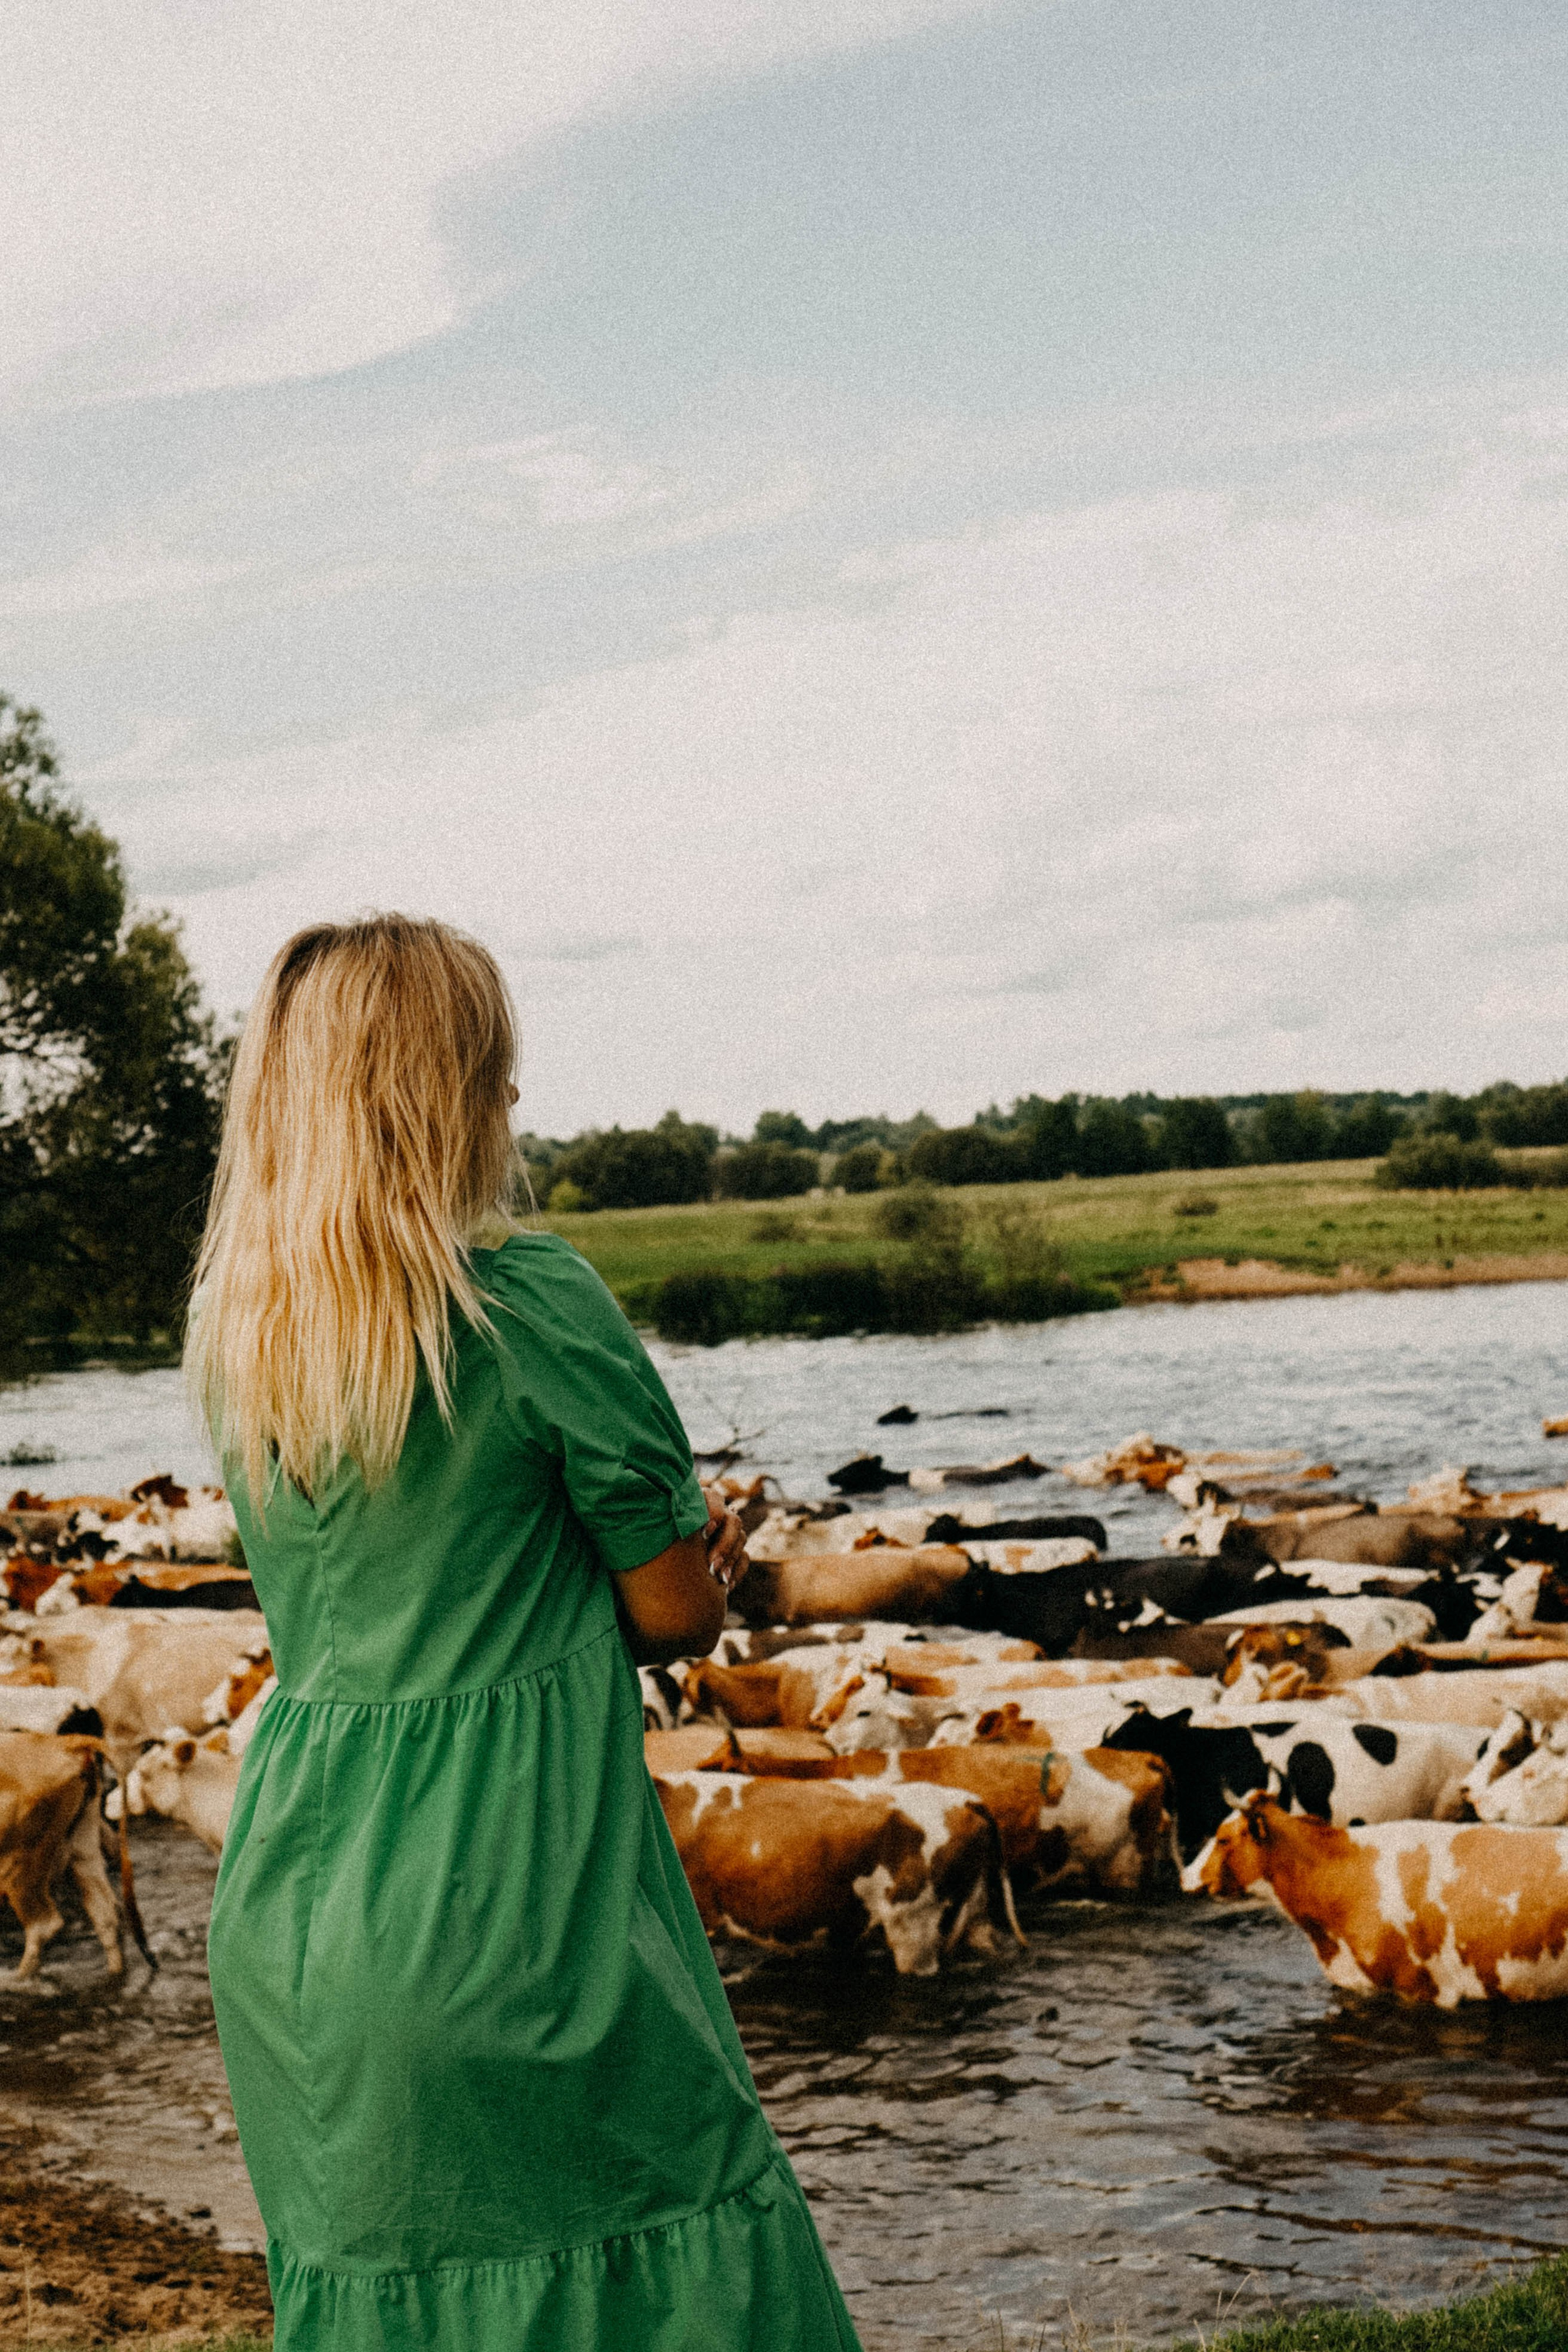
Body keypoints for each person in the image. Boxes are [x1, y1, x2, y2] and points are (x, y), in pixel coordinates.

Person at [189, 914, 862, 2350]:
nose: (511, 1096)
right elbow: (673, 1610)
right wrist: (673, 1573)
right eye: (492, 1068)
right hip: (509, 1886)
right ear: (443, 1096)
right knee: (667, 2262)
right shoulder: (530, 1303)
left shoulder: (252, 1343)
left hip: (296, 1908)